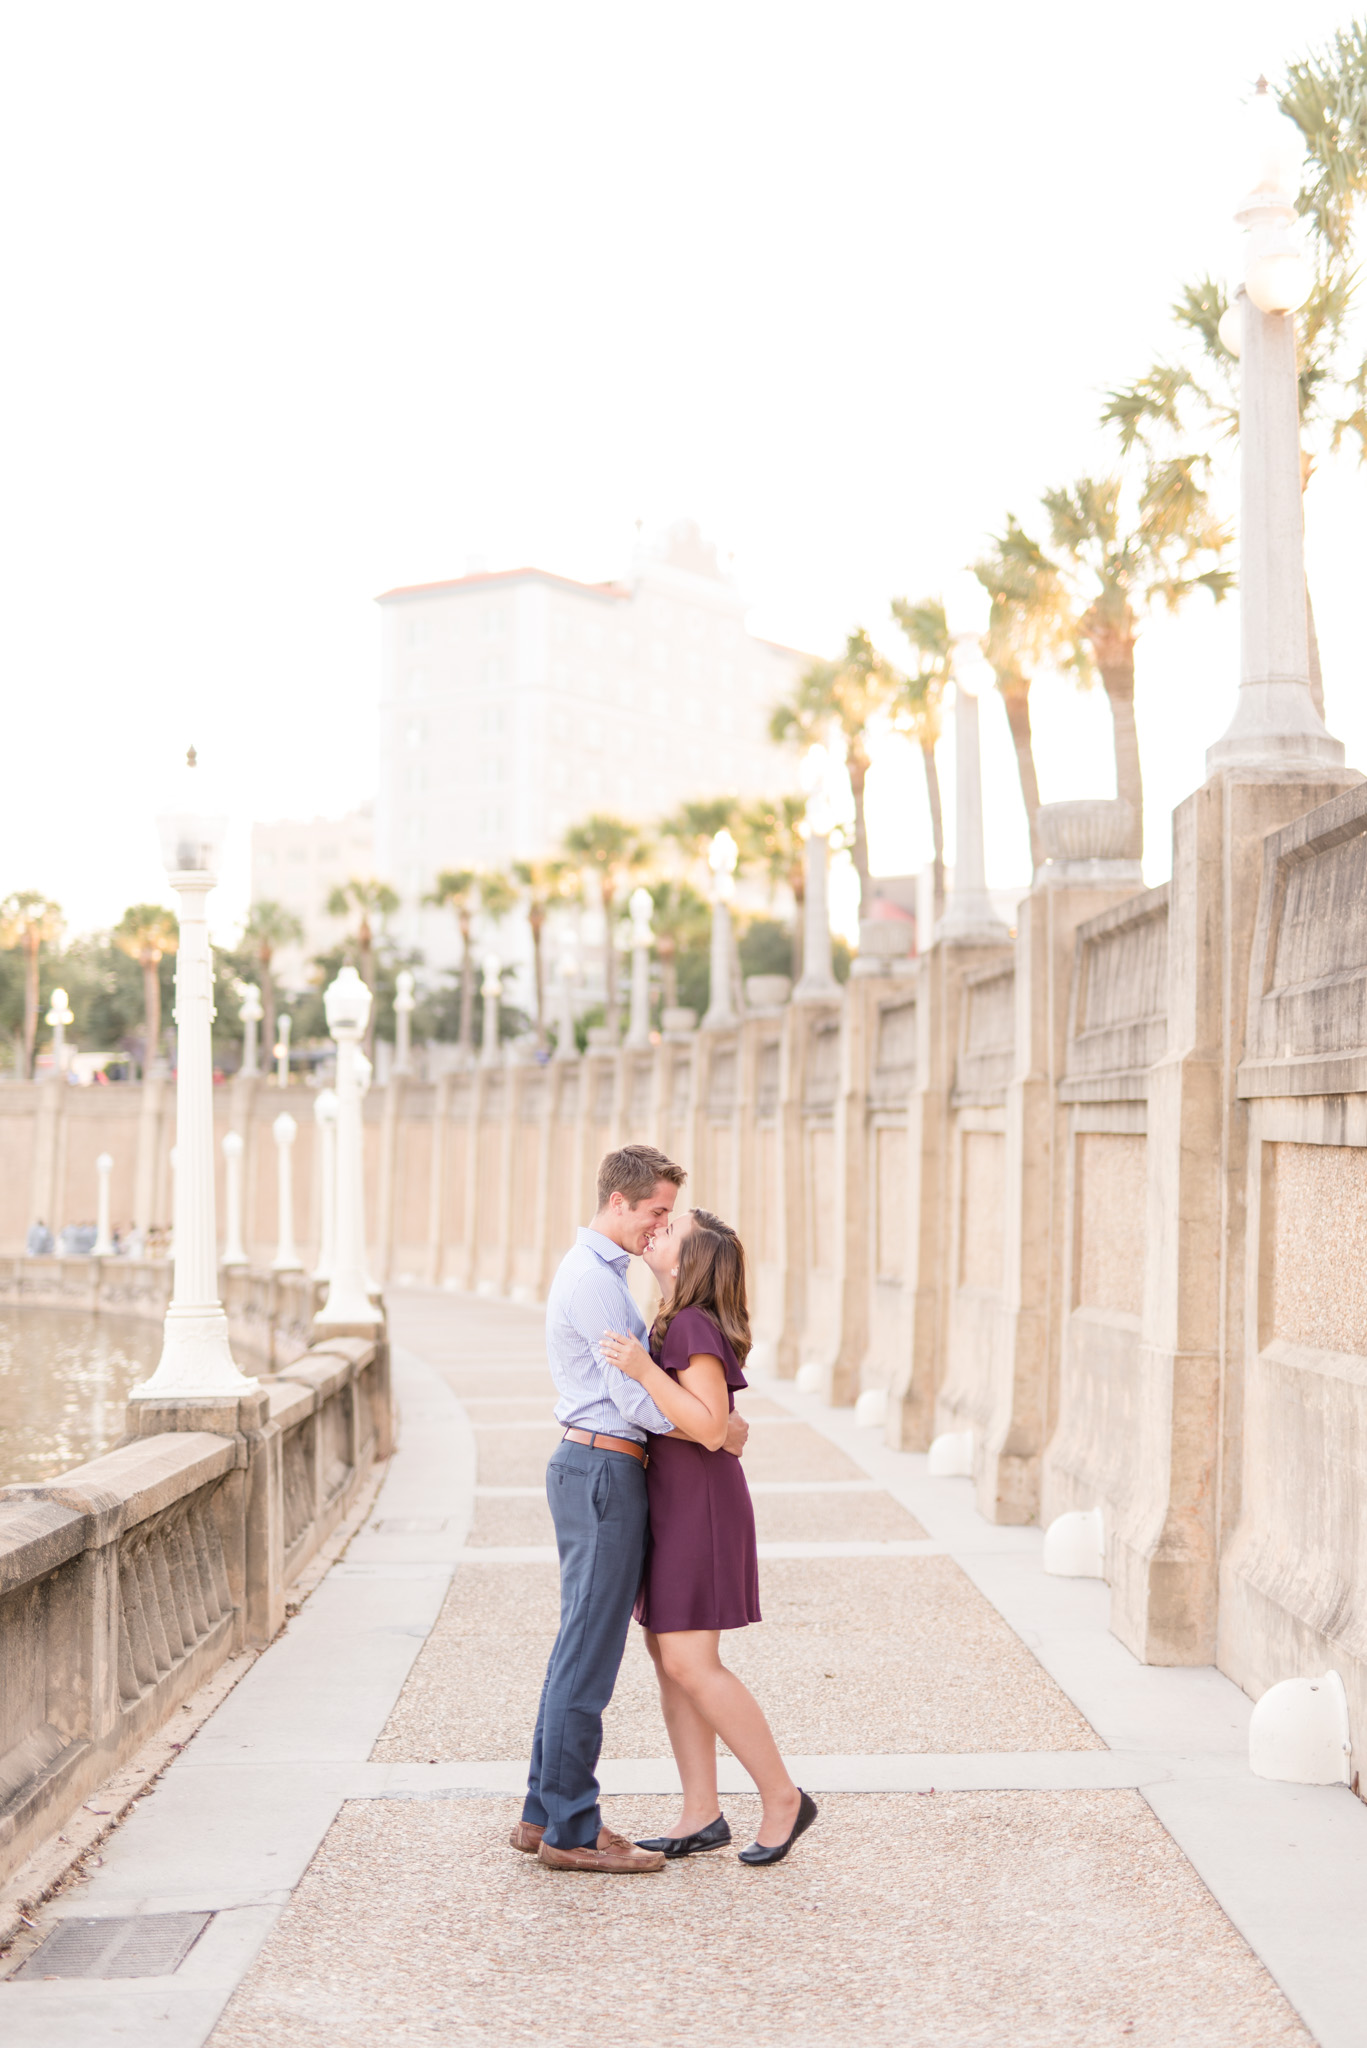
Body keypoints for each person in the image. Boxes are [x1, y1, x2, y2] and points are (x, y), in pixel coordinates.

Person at [512, 1144, 750, 1875]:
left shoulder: (599, 1275)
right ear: (618, 1203)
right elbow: (632, 1401)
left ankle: (540, 1814)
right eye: (655, 1211)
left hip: (596, 1467)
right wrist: (716, 1427)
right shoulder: (596, 1283)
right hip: (602, 1470)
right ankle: (572, 1830)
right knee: (588, 1655)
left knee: (576, 1645)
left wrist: (707, 1421)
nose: (660, 1226)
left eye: (668, 1217)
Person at [601, 1208, 818, 1868]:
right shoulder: (670, 1319)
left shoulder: (691, 1325)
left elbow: (706, 1423)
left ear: (689, 1262)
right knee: (670, 1661)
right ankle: (700, 1812)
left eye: (671, 1230)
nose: (656, 1231)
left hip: (699, 1507)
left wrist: (642, 1370)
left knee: (693, 1662)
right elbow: (714, 1424)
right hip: (674, 1501)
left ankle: (783, 1798)